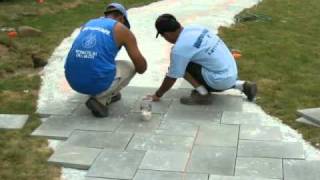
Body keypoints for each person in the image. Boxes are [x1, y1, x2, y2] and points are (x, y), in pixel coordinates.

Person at [149, 13, 257, 104]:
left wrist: (157, 95)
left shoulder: (179, 49)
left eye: (163, 36)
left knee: (179, 66)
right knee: (193, 61)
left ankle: (203, 94)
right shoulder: (195, 28)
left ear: (166, 34)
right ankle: (243, 86)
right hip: (232, 71)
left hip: (220, 80)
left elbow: (172, 77)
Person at [65, 3, 147, 117]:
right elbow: (141, 68)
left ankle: (110, 94)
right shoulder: (121, 28)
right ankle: (99, 99)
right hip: (92, 82)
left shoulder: (89, 23)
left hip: (72, 80)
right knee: (130, 66)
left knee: (101, 62)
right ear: (122, 18)